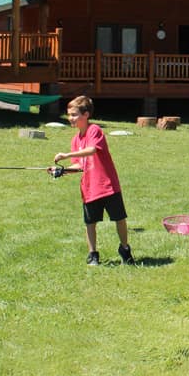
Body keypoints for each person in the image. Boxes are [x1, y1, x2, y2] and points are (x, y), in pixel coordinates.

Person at [51, 95, 133, 265]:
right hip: (89, 188)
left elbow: (91, 150)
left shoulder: (94, 130)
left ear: (86, 114)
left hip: (107, 185)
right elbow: (79, 165)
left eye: (74, 115)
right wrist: (62, 170)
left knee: (119, 218)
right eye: (69, 114)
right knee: (90, 223)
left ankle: (124, 248)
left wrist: (66, 155)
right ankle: (93, 254)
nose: (70, 118)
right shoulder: (75, 139)